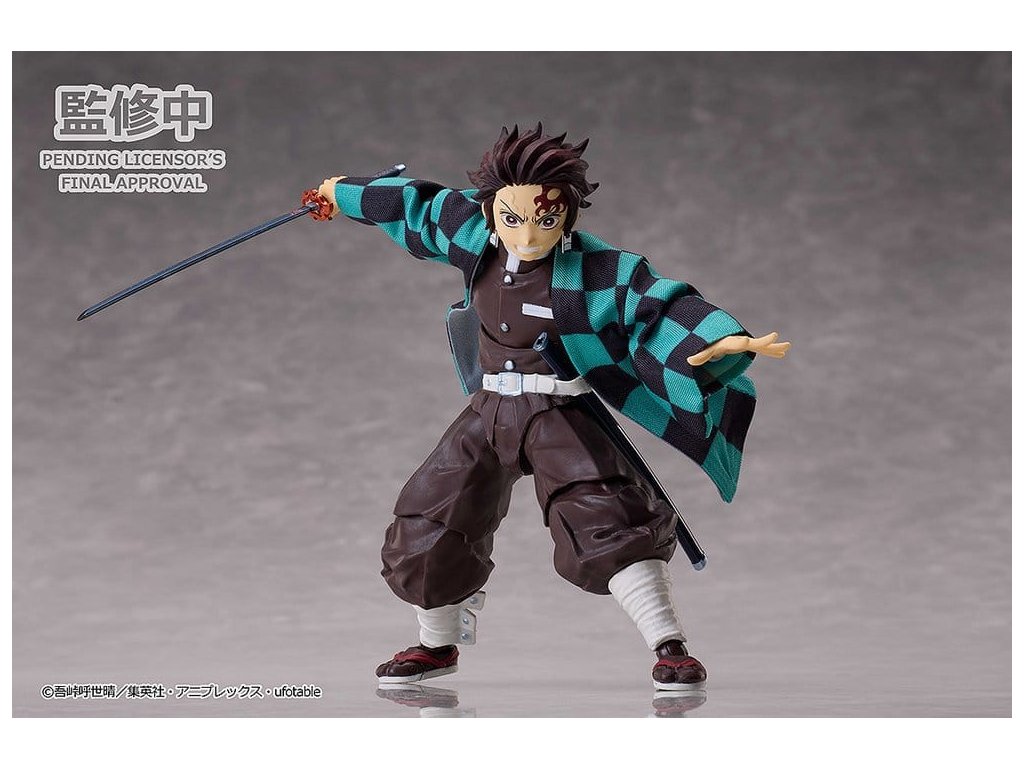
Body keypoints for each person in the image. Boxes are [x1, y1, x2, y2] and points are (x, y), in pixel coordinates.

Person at [315, 124, 789, 690]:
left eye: (546, 219)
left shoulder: (596, 270)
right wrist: (339, 193)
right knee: (429, 516)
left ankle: (670, 646)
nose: (528, 234)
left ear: (568, 216)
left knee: (609, 519)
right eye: (513, 219)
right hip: (489, 409)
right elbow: (416, 205)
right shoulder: (475, 237)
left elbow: (656, 304)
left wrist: (716, 340)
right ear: (491, 211)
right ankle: (436, 645)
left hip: (559, 410)